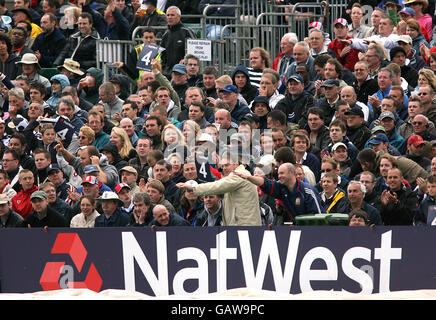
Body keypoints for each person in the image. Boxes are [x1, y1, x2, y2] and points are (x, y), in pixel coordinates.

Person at [178, 148, 261, 226]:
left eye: (227, 165)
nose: (224, 168)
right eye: (223, 166)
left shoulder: (239, 174)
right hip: (241, 226)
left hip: (245, 226)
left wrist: (193, 188)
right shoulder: (236, 175)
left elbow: (217, 186)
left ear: (236, 163)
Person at [236, 162, 322, 225]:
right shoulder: (281, 187)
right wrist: (248, 177)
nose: (279, 176)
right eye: (278, 174)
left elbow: (318, 216)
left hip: (313, 229)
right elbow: (264, 183)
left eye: (282, 173)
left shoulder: (308, 191)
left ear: (291, 173)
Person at [160, 6, 196, 78]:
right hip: (168, 74)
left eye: (172, 15)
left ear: (179, 17)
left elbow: (195, 52)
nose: (170, 17)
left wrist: (185, 60)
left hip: (183, 73)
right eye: (168, 15)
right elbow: (163, 55)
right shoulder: (165, 34)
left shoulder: (187, 32)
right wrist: (164, 69)